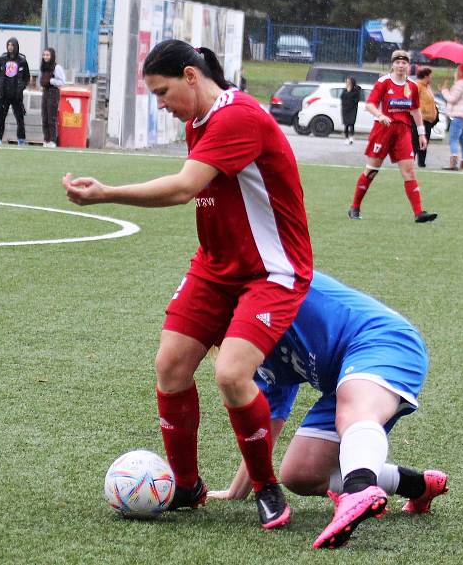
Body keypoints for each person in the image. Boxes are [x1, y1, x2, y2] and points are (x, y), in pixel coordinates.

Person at [61, 39, 313, 528]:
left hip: (272, 271)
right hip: (215, 266)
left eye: (162, 91)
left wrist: (107, 192)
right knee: (171, 366)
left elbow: (183, 188)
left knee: (231, 374)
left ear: (191, 76)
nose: (160, 104)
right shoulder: (199, 120)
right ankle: (186, 485)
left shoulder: (236, 116)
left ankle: (267, 488)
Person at [206, 271, 449, 549]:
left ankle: (358, 489)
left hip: (383, 342)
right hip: (343, 379)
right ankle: (416, 485)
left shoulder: (273, 288)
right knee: (300, 474)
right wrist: (237, 492)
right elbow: (265, 424)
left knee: (353, 410)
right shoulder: (253, 354)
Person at [347, 49, 437, 223]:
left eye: (404, 63)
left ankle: (419, 213)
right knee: (372, 170)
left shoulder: (411, 86)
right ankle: (354, 207)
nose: (401, 66)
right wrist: (380, 115)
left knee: (409, 171)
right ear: (393, 64)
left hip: (403, 132)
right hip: (383, 131)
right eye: (398, 62)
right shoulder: (383, 83)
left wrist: (421, 133)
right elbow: (370, 104)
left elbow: (415, 110)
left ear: (408, 66)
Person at [0, 37, 30, 145]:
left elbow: (27, 76)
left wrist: (22, 86)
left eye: (12, 45)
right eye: (8, 45)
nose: (10, 47)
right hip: (4, 94)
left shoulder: (22, 61)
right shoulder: (2, 59)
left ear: (16, 46)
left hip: (17, 95)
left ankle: (21, 139)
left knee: (20, 118)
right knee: (0, 117)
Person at [411, 67, 438, 168]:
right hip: (418, 118)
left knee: (425, 141)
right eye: (430, 76)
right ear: (426, 76)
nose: (431, 78)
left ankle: (422, 162)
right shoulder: (418, 86)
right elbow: (412, 100)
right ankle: (410, 161)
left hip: (428, 120)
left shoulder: (428, 87)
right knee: (414, 141)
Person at [39, 47, 66, 148]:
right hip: (45, 93)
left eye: (47, 55)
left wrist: (51, 81)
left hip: (53, 93)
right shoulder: (44, 67)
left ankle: (53, 140)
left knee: (52, 118)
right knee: (44, 117)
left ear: (52, 56)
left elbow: (62, 81)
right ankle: (46, 139)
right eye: (44, 55)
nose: (45, 57)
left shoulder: (56, 67)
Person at [339, 76, 361, 144]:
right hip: (345, 109)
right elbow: (342, 97)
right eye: (346, 81)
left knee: (351, 123)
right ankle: (346, 138)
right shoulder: (345, 90)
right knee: (346, 124)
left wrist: (351, 91)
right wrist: (347, 90)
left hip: (352, 109)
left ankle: (351, 137)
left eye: (348, 81)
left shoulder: (356, 89)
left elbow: (357, 99)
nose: (347, 83)